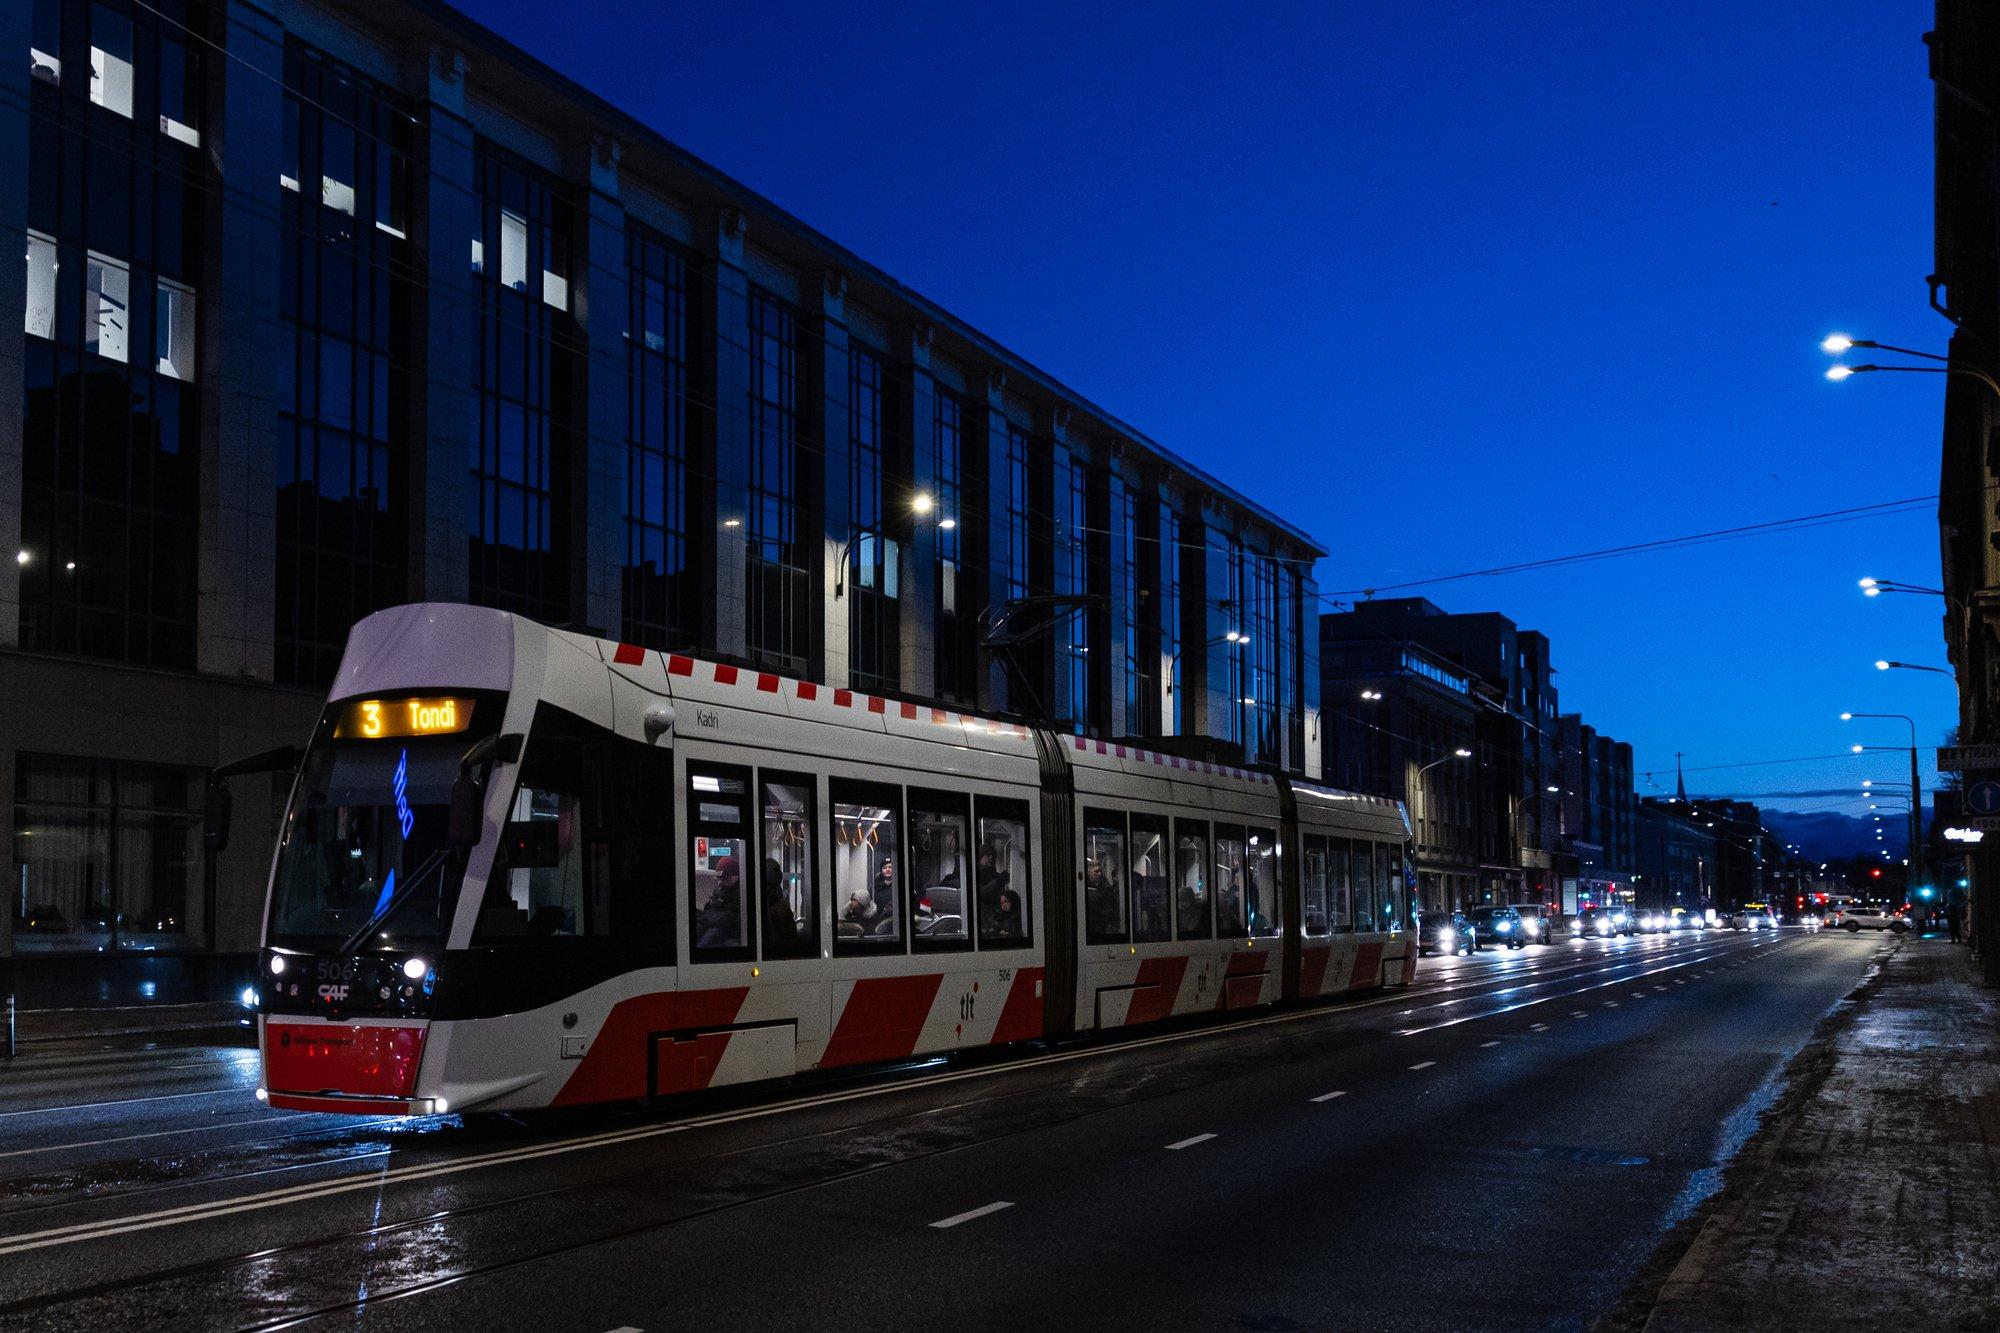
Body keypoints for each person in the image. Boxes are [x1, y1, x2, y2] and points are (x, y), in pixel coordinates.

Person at [696, 857, 742, 948]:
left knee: (708, 939)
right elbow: (710, 907)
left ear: (737, 875)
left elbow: (732, 917)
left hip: (726, 928)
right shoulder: (720, 889)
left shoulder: (740, 893)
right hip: (715, 922)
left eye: (725, 879)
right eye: (719, 878)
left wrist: (709, 919)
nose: (720, 882)